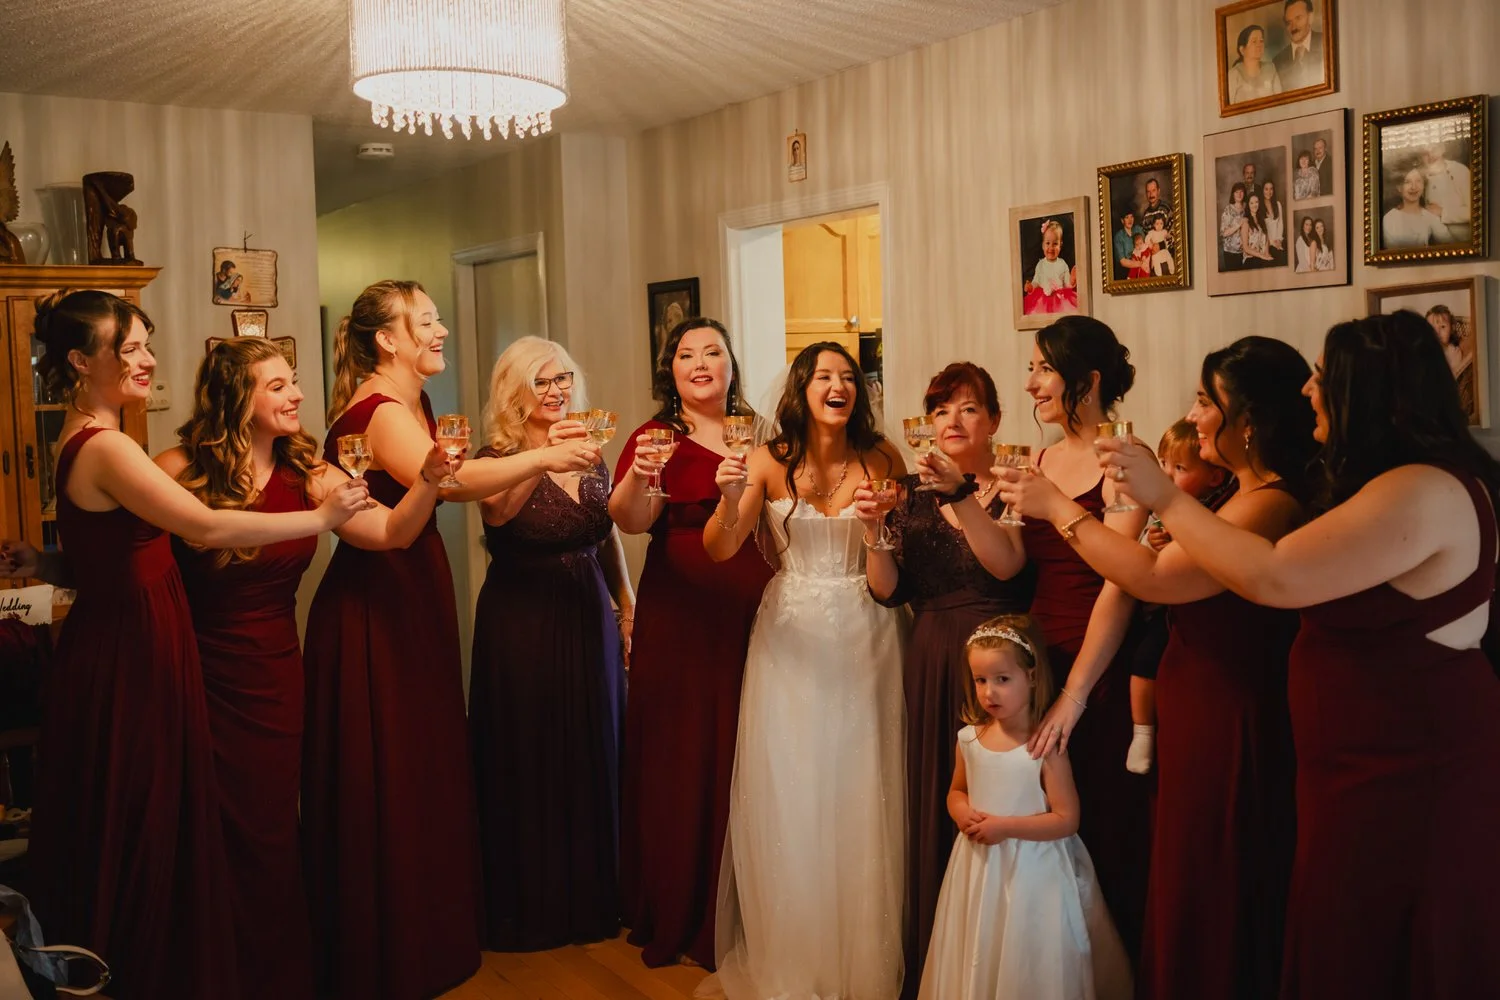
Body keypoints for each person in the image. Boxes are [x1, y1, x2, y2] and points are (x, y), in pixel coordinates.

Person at [1097, 311, 1500, 999]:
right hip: (1358, 766)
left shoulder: (1423, 488)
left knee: (1383, 940)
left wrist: (1163, 494)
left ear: (1366, 391)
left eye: (1323, 375)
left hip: (1404, 769)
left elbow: (1273, 574)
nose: (1310, 391)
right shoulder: (1393, 483)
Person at [10, 290, 367, 1000]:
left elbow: (109, 551)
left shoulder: (91, 438)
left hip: (128, 640)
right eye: (129, 349)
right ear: (81, 362)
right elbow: (207, 527)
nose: (146, 359)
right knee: (142, 821)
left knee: (148, 819)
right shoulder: (106, 444)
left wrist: (45, 563)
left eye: (146, 343)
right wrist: (322, 516)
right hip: (131, 653)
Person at [302, 280, 597, 999]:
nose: (439, 332)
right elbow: (456, 484)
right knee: (397, 763)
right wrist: (539, 458)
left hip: (413, 582)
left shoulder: (413, 401)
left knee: (423, 760)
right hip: (380, 595)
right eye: (426, 322)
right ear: (388, 339)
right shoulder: (376, 410)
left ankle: (424, 931)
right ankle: (396, 946)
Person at [1007, 336, 1316, 999]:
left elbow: (1148, 578)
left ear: (1250, 420)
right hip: (1196, 704)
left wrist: (1061, 508)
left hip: (1230, 710)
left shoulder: (1270, 503)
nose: (1195, 413)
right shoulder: (1238, 492)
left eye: (1207, 401)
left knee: (1211, 871)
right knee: (1187, 870)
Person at [160, 338, 452, 1000]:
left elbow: (390, 535)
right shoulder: (179, 468)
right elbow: (129, 556)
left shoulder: (310, 472)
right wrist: (48, 566)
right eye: (277, 386)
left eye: (293, 383)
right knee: (196, 823)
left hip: (272, 675)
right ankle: (201, 969)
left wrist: (430, 479)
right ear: (238, 397)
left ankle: (273, 975)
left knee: (265, 827)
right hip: (191, 669)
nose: (296, 395)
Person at [699, 342, 907, 1000]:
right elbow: (721, 545)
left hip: (869, 632)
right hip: (788, 637)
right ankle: (795, 957)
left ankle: (861, 962)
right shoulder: (765, 460)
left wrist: (879, 533)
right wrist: (730, 497)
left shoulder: (882, 459)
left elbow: (890, 576)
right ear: (802, 388)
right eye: (824, 376)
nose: (838, 385)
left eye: (848, 377)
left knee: (862, 786)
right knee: (791, 788)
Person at [854, 362, 1033, 997]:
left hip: (997, 659)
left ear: (994, 422)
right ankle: (935, 957)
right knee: (934, 794)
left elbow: (1007, 566)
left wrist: (961, 491)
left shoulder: (1011, 482)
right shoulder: (905, 491)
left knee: (993, 800)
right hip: (928, 654)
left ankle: (993, 964)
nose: (952, 422)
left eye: (968, 409)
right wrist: (873, 528)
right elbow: (886, 590)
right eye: (940, 410)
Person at [611, 317, 773, 969]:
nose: (701, 362)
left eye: (714, 352)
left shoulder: (764, 434)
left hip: (753, 611)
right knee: (682, 755)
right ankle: (679, 909)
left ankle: (746, 907)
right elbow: (629, 520)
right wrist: (642, 475)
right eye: (687, 354)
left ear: (733, 365)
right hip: (678, 614)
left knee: (745, 748)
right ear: (670, 370)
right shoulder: (654, 439)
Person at [467, 336, 633, 951]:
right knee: (529, 747)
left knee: (594, 740)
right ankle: (528, 908)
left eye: (563, 378)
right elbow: (497, 514)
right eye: (542, 381)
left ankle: (594, 900)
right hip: (522, 619)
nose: (557, 390)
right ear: (514, 393)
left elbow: (607, 529)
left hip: (587, 607)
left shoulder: (591, 452)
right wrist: (542, 458)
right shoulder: (496, 457)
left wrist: (626, 603)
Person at [992, 316, 1151, 955]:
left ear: (1086, 382)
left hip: (1099, 664)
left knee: (1102, 825)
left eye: (1043, 368)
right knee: (1042, 828)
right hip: (1040, 656)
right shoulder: (1037, 458)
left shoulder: (1124, 460)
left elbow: (1121, 583)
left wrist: (1077, 695)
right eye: (1031, 367)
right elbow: (1013, 562)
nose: (1030, 383)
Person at [918, 615, 1131, 1000]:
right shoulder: (970, 738)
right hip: (979, 868)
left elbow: (1067, 819)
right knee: (982, 941)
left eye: (1002, 679)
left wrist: (1006, 827)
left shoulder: (1043, 746)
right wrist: (960, 810)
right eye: (980, 680)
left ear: (1030, 677)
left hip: (1034, 871)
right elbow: (956, 791)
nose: (989, 693)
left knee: (1025, 948)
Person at [1124, 420, 1230, 776]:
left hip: (1195, 616)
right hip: (1161, 609)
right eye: (1164, 466)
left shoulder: (1217, 509)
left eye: (1180, 468)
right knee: (1141, 659)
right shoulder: (1160, 509)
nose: (1167, 477)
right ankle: (1142, 731)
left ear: (1214, 477)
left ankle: (1145, 731)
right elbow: (1140, 554)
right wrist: (1151, 543)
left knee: (1148, 656)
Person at [1427, 304, 1478, 423]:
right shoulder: (1426, 349)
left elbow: (1454, 376)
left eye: (1443, 327)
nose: (1437, 332)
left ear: (1452, 328)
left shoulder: (1453, 351)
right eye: (1431, 328)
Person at [1381, 166, 1452, 249]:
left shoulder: (1429, 215)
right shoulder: (1389, 219)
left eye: (1418, 181)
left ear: (1424, 185)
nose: (1413, 187)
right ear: (1399, 187)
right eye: (1407, 182)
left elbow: (1450, 244)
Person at [1022, 219, 1078, 315]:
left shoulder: (1062, 264)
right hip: (1042, 300)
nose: (1051, 248)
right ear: (1043, 245)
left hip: (1060, 299)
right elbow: (1037, 281)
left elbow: (1067, 284)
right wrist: (1031, 287)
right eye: (1048, 243)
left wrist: (1072, 280)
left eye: (1055, 244)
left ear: (1060, 245)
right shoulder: (1040, 265)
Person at [1422, 142, 1473, 243]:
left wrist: (1442, 212)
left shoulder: (1460, 171)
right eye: (1425, 152)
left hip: (1465, 241)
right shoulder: (1422, 178)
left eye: (1434, 149)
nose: (1431, 155)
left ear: (1442, 149)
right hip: (1439, 243)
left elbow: (1476, 211)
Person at [1274, 0, 1324, 92]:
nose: (1293, 27)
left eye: (1298, 18)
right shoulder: (1278, 61)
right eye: (1289, 22)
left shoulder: (1325, 43)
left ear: (1310, 18)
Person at [1227, 24, 1283, 104]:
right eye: (1254, 41)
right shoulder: (1233, 75)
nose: (1259, 45)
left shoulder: (1270, 68)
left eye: (1261, 41)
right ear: (1242, 50)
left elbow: (1280, 100)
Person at [1240, 192, 1274, 266]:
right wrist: (1261, 256)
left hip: (1262, 256)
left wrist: (1267, 253)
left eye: (1256, 202)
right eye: (1251, 203)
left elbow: (1266, 239)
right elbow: (1245, 248)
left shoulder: (1261, 220)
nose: (1254, 205)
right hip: (1251, 258)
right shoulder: (1246, 222)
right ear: (1248, 205)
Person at [1220, 182, 1247, 271]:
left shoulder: (1247, 208)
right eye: (1236, 192)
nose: (1239, 194)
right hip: (1230, 252)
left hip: (1245, 252)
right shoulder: (1228, 209)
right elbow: (1224, 233)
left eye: (1241, 191)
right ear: (1233, 194)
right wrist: (1239, 224)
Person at [1113, 209, 1143, 281]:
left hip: (1142, 265)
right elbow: (1123, 262)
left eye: (1131, 217)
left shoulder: (1138, 229)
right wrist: (1140, 264)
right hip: (1126, 271)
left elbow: (1145, 246)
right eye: (1127, 217)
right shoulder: (1118, 236)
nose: (1130, 220)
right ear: (1122, 221)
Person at [1262, 179, 1286, 256]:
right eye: (1266, 189)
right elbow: (1261, 231)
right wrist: (1271, 242)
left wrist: (1279, 240)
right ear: (1262, 190)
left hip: (1278, 243)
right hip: (1266, 245)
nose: (1269, 192)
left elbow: (1280, 224)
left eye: (1271, 189)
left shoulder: (1277, 204)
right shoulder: (1259, 206)